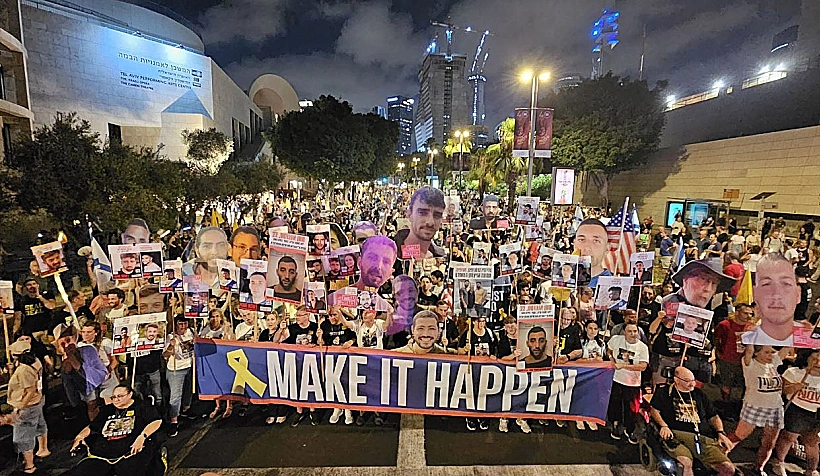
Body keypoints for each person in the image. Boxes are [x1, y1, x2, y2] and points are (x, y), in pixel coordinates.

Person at [650, 367, 737, 476]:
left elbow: (713, 416)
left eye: (693, 380)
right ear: (677, 380)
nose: (692, 384)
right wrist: (663, 426)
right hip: (678, 435)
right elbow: (654, 410)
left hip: (702, 438)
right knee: (686, 463)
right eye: (688, 381)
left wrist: (720, 432)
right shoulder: (665, 392)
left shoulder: (699, 394)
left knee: (728, 469)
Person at [66, 384, 162, 476]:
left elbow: (156, 421)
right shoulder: (107, 410)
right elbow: (92, 427)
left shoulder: (142, 406)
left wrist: (142, 436)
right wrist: (79, 436)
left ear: (130, 394)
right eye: (114, 397)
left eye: (120, 396)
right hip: (102, 451)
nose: (116, 400)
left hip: (129, 450)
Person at [727, 345, 785, 475]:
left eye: (772, 352)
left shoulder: (773, 363)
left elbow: (787, 347)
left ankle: (759, 467)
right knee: (739, 435)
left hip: (775, 407)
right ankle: (718, 458)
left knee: (769, 442)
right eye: (766, 352)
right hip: (755, 405)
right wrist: (752, 338)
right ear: (757, 353)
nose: (770, 355)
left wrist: (799, 331)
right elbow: (749, 351)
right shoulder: (750, 364)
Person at [770, 349, 820, 476]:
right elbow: (783, 391)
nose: (818, 362)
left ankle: (812, 469)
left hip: (816, 413)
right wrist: (794, 387)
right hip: (797, 409)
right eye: (815, 359)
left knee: (812, 442)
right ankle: (779, 462)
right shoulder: (794, 372)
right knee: (788, 437)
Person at [742, 253, 802, 346]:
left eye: (786, 284)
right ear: (755, 293)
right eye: (766, 284)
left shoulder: (810, 340)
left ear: (798, 294)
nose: (776, 294)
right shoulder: (746, 339)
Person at [8, 340, 49, 473]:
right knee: (39, 425)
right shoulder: (35, 361)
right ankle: (43, 448)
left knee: (22, 437)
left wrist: (19, 407)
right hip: (38, 400)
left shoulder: (23, 370)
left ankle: (29, 465)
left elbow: (29, 390)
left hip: (28, 405)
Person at [328, 235, 397, 312]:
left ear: (391, 272)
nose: (379, 266)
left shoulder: (388, 311)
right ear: (359, 262)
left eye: (386, 262)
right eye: (372, 258)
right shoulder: (333, 300)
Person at [606, 322, 648, 443]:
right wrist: (611, 359)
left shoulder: (642, 347)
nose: (633, 334)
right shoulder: (616, 340)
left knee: (631, 410)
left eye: (635, 331)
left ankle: (630, 429)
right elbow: (609, 350)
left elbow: (643, 366)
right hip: (616, 379)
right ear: (624, 332)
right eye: (630, 331)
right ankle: (615, 424)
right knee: (615, 404)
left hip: (632, 383)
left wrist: (623, 365)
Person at [663, 258, 736, 316]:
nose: (708, 289)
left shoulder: (713, 308)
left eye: (714, 283)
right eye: (703, 279)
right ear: (685, 281)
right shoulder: (669, 303)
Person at [713, 303, 755, 404]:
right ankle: (725, 404)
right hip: (727, 359)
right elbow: (716, 338)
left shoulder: (752, 327)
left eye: (750, 314)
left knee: (744, 385)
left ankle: (738, 405)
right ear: (737, 312)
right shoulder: (725, 325)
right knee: (726, 384)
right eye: (745, 313)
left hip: (745, 361)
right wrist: (719, 353)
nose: (748, 316)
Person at [393, 186, 446, 259]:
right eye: (422, 213)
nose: (430, 222)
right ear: (409, 214)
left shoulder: (441, 255)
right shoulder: (389, 254)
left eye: (437, 215)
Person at [163, 318, 195, 437]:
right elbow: (165, 354)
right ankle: (174, 420)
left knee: (189, 389)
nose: (183, 326)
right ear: (175, 325)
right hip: (175, 369)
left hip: (190, 365)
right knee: (175, 396)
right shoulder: (170, 336)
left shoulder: (191, 331)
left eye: (185, 323)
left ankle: (186, 408)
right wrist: (171, 347)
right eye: (180, 324)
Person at [574, 218, 611, 287]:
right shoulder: (559, 282)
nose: (587, 248)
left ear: (607, 249)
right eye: (581, 240)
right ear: (574, 244)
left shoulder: (611, 286)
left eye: (596, 241)